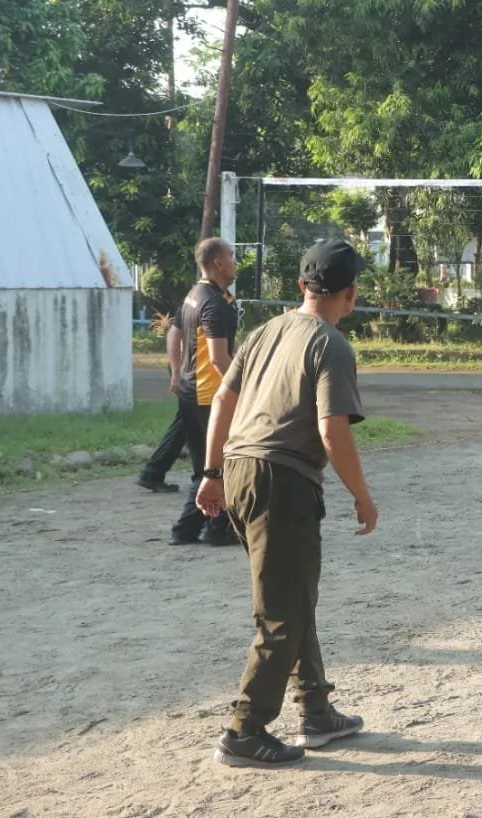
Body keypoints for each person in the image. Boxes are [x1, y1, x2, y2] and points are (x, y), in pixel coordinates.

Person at [194, 238, 379, 767]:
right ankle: (244, 730)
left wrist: (211, 473)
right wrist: (362, 497)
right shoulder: (331, 345)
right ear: (352, 293)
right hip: (282, 480)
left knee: (292, 598)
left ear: (301, 285)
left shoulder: (265, 330)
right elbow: (331, 430)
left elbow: (223, 399)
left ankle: (316, 711)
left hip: (239, 470)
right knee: (281, 613)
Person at [168, 238, 239, 546]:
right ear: (218, 263)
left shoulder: (195, 296)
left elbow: (174, 334)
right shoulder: (212, 303)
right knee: (222, 463)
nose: (235, 262)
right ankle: (216, 528)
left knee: (205, 468)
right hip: (209, 394)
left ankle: (189, 529)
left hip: (191, 391)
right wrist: (244, 391)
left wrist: (176, 372)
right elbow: (219, 358)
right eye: (231, 256)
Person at [135, 322, 185, 493]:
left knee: (188, 422)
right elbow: (173, 333)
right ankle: (152, 473)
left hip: (192, 367)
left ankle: (153, 473)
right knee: (187, 422)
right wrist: (176, 372)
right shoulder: (203, 304)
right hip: (190, 368)